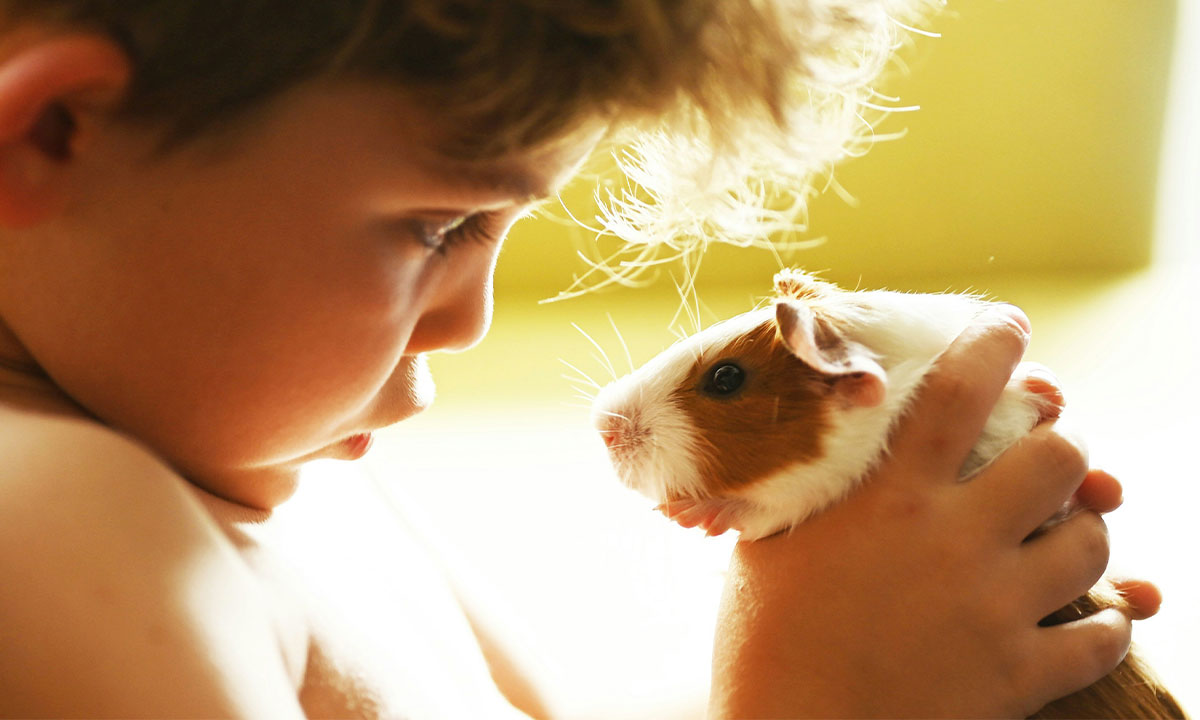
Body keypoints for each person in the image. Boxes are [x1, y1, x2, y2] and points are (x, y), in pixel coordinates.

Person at [0, 2, 1161, 717]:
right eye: (438, 227)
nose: (472, 319)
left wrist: (908, 649)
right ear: (57, 134)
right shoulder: (52, 522)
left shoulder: (300, 467)